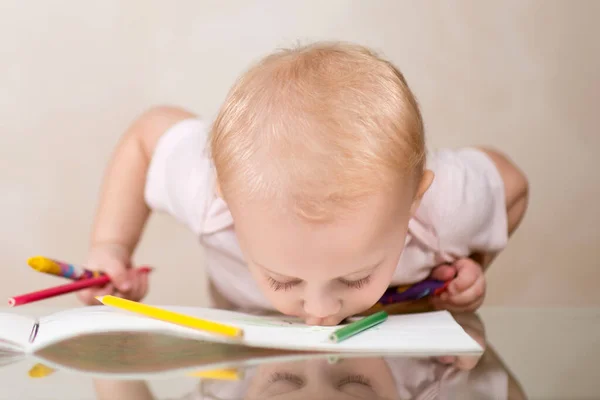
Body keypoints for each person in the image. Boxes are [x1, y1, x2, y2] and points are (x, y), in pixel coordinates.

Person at [78, 42, 529, 325]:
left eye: (355, 278)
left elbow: (512, 184)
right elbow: (148, 135)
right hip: (250, 358)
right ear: (226, 198)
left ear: (414, 199)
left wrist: (466, 265)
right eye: (282, 279)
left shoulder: (443, 206)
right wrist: (112, 247)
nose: (319, 311)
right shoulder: (210, 189)